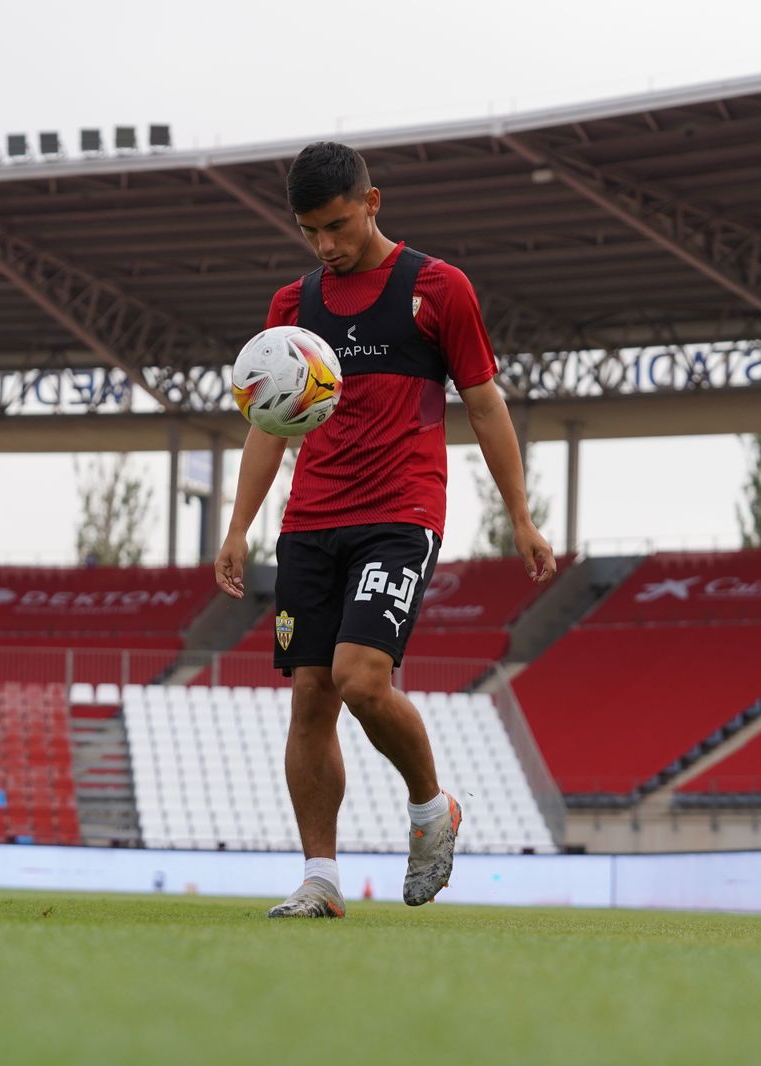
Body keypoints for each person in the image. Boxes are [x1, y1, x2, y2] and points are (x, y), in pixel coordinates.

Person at [215, 143, 557, 918]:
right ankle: (321, 881)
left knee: (360, 679)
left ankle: (431, 811)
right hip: (309, 521)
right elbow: (268, 424)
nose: (326, 246)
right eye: (310, 232)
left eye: (337, 225)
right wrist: (238, 526)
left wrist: (523, 516)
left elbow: (485, 403)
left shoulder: (438, 289)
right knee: (310, 697)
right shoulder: (290, 307)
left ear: (373, 203)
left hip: (400, 513)